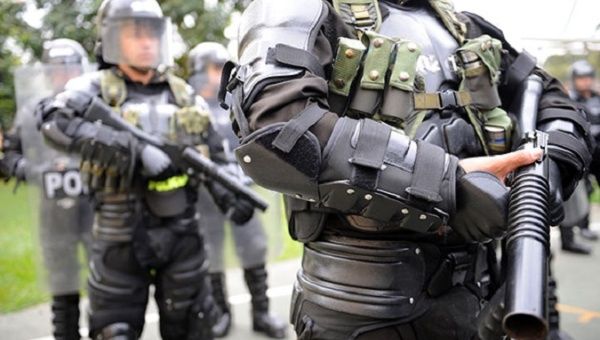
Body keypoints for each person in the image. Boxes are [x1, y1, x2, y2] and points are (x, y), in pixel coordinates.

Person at [220, 0, 593, 339]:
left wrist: (553, 163)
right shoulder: (302, 9)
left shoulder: (462, 26)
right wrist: (450, 186)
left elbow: (548, 92)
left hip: (481, 292)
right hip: (363, 305)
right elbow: (278, 130)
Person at [38, 0, 255, 339]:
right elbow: (52, 122)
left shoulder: (186, 96)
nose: (146, 42)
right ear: (110, 39)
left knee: (193, 327)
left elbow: (216, 154)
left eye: (152, 33)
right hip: (118, 234)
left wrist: (231, 191)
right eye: (133, 33)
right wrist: (134, 151)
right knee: (114, 330)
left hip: (183, 233)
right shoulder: (91, 88)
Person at [187, 42, 287, 338]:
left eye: (221, 67)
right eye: (212, 68)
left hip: (243, 192)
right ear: (197, 72)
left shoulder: (234, 104)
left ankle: (262, 313)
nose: (218, 74)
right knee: (212, 255)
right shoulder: (190, 109)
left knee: (254, 250)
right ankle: (221, 313)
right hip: (207, 197)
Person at [1, 38, 93, 340]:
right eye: (56, 68)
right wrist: (37, 172)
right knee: (62, 286)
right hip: (54, 211)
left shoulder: (96, 105)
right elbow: (10, 158)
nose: (63, 74)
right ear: (47, 73)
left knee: (105, 284)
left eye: (69, 67)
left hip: (97, 208)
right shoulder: (31, 112)